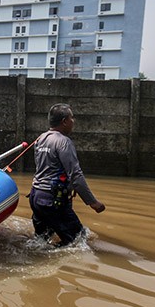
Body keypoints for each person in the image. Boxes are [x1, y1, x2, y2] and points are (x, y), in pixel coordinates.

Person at [29, 103, 105, 246]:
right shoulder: (63, 142)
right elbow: (76, 175)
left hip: (36, 197)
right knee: (78, 240)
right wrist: (93, 202)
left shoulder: (40, 139)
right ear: (64, 121)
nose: (73, 121)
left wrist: (69, 186)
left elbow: (47, 168)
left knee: (41, 242)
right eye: (72, 118)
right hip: (53, 201)